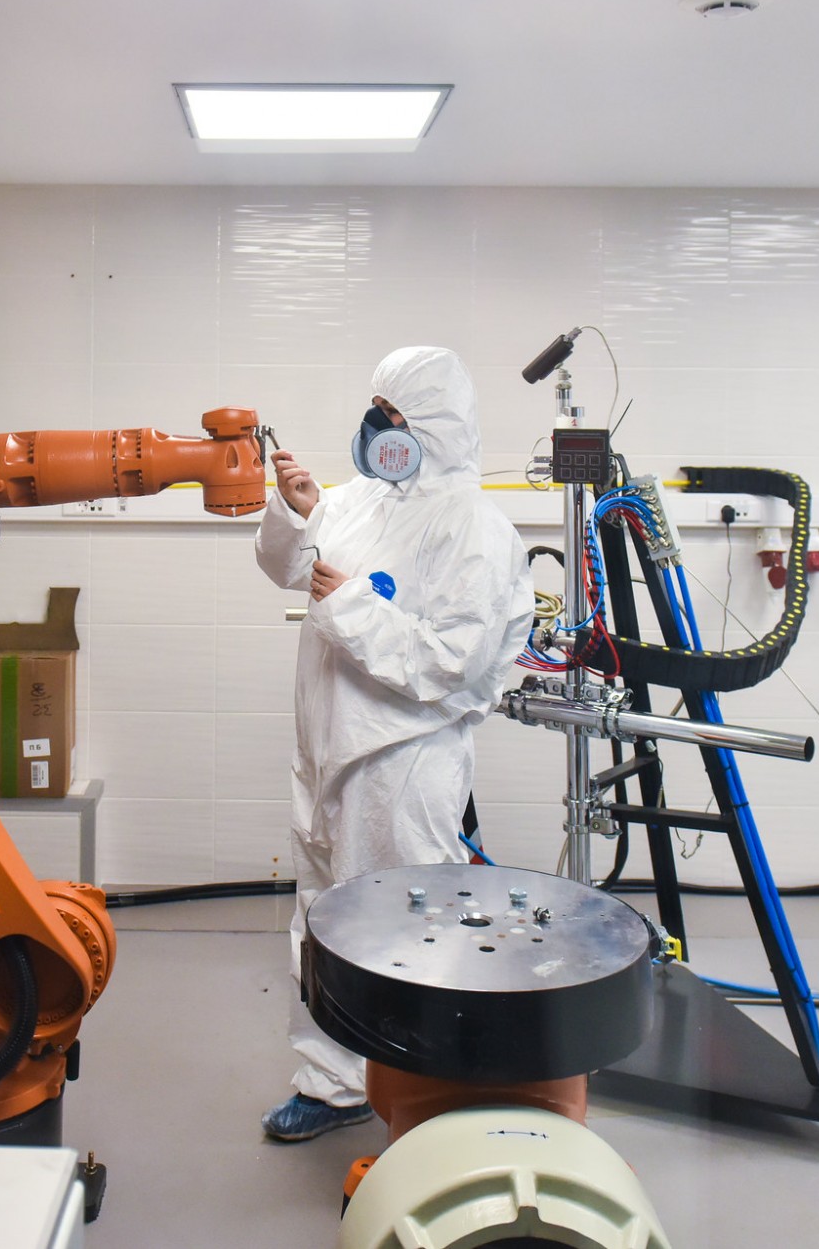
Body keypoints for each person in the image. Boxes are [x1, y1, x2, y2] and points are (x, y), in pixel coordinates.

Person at [254, 345, 533, 1142]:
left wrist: (350, 607)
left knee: (408, 932)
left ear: (436, 425)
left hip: (401, 764)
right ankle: (334, 1081)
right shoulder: (359, 502)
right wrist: (297, 510)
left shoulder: (475, 528)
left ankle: (426, 1095)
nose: (378, 426)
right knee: (323, 923)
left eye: (396, 413)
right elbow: (285, 568)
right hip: (327, 753)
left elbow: (451, 661)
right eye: (376, 407)